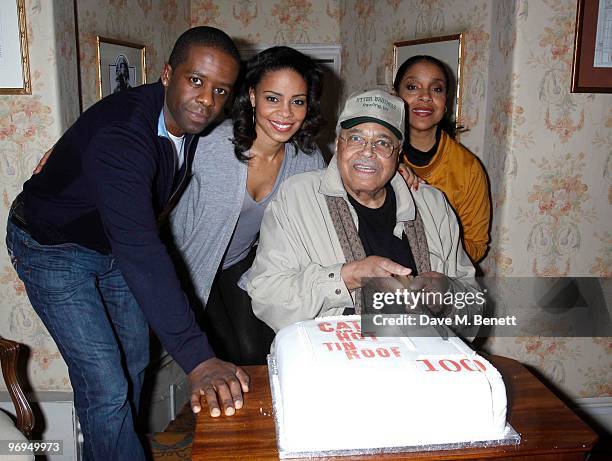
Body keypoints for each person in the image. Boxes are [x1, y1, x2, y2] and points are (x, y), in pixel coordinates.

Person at [6, 27, 246, 461]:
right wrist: (199, 360)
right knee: (105, 384)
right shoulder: (123, 136)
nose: (207, 100)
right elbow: (141, 251)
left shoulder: (186, 119)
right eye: (196, 81)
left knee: (135, 364)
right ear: (167, 74)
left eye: (220, 90)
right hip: (53, 248)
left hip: (110, 244)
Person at [244, 89, 481, 332]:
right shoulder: (296, 197)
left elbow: (473, 311)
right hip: (332, 358)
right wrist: (347, 277)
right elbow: (267, 298)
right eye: (356, 138)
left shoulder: (433, 205)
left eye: (382, 142)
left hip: (420, 357)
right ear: (338, 144)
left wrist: (447, 294)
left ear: (398, 153)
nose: (368, 152)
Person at [170, 46, 326, 365]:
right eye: (273, 98)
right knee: (220, 360)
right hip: (185, 268)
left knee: (257, 355)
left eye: (297, 101)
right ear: (252, 95)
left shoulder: (307, 161)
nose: (285, 113)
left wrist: (396, 172)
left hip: (239, 264)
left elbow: (342, 192)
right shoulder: (210, 141)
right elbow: (148, 154)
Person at [394, 55, 491, 263]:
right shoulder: (375, 156)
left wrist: (430, 257)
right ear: (395, 96)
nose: (425, 96)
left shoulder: (467, 168)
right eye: (412, 87)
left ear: (445, 101)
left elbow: (476, 243)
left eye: (436, 89)